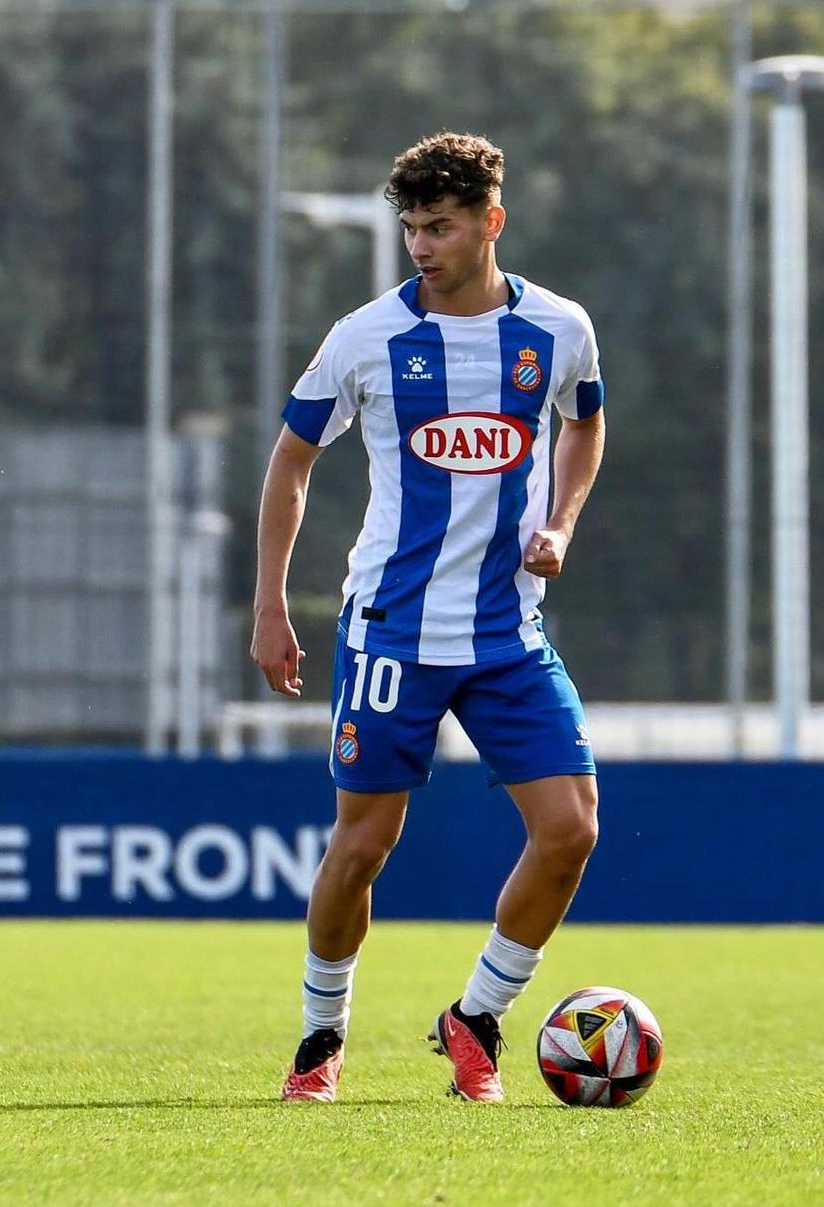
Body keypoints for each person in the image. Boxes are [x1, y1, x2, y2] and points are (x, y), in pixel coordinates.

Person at [251, 131, 606, 1104]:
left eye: (440, 226)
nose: (421, 244)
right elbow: (291, 462)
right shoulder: (365, 338)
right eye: (411, 226)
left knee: (571, 827)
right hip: (391, 632)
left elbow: (586, 421)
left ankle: (477, 1018)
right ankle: (322, 1035)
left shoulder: (559, 329)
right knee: (361, 847)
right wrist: (271, 604)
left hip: (506, 633)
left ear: (492, 222)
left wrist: (561, 525)